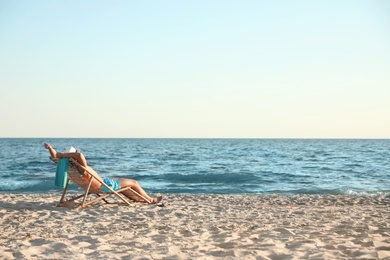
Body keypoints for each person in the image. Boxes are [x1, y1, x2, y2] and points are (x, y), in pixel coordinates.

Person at [44, 143, 163, 205]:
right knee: (133, 183)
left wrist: (51, 149)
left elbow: (55, 157)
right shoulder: (82, 169)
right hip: (104, 186)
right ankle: (150, 200)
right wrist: (64, 154)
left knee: (124, 184)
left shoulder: (69, 166)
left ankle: (137, 198)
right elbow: (79, 156)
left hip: (95, 185)